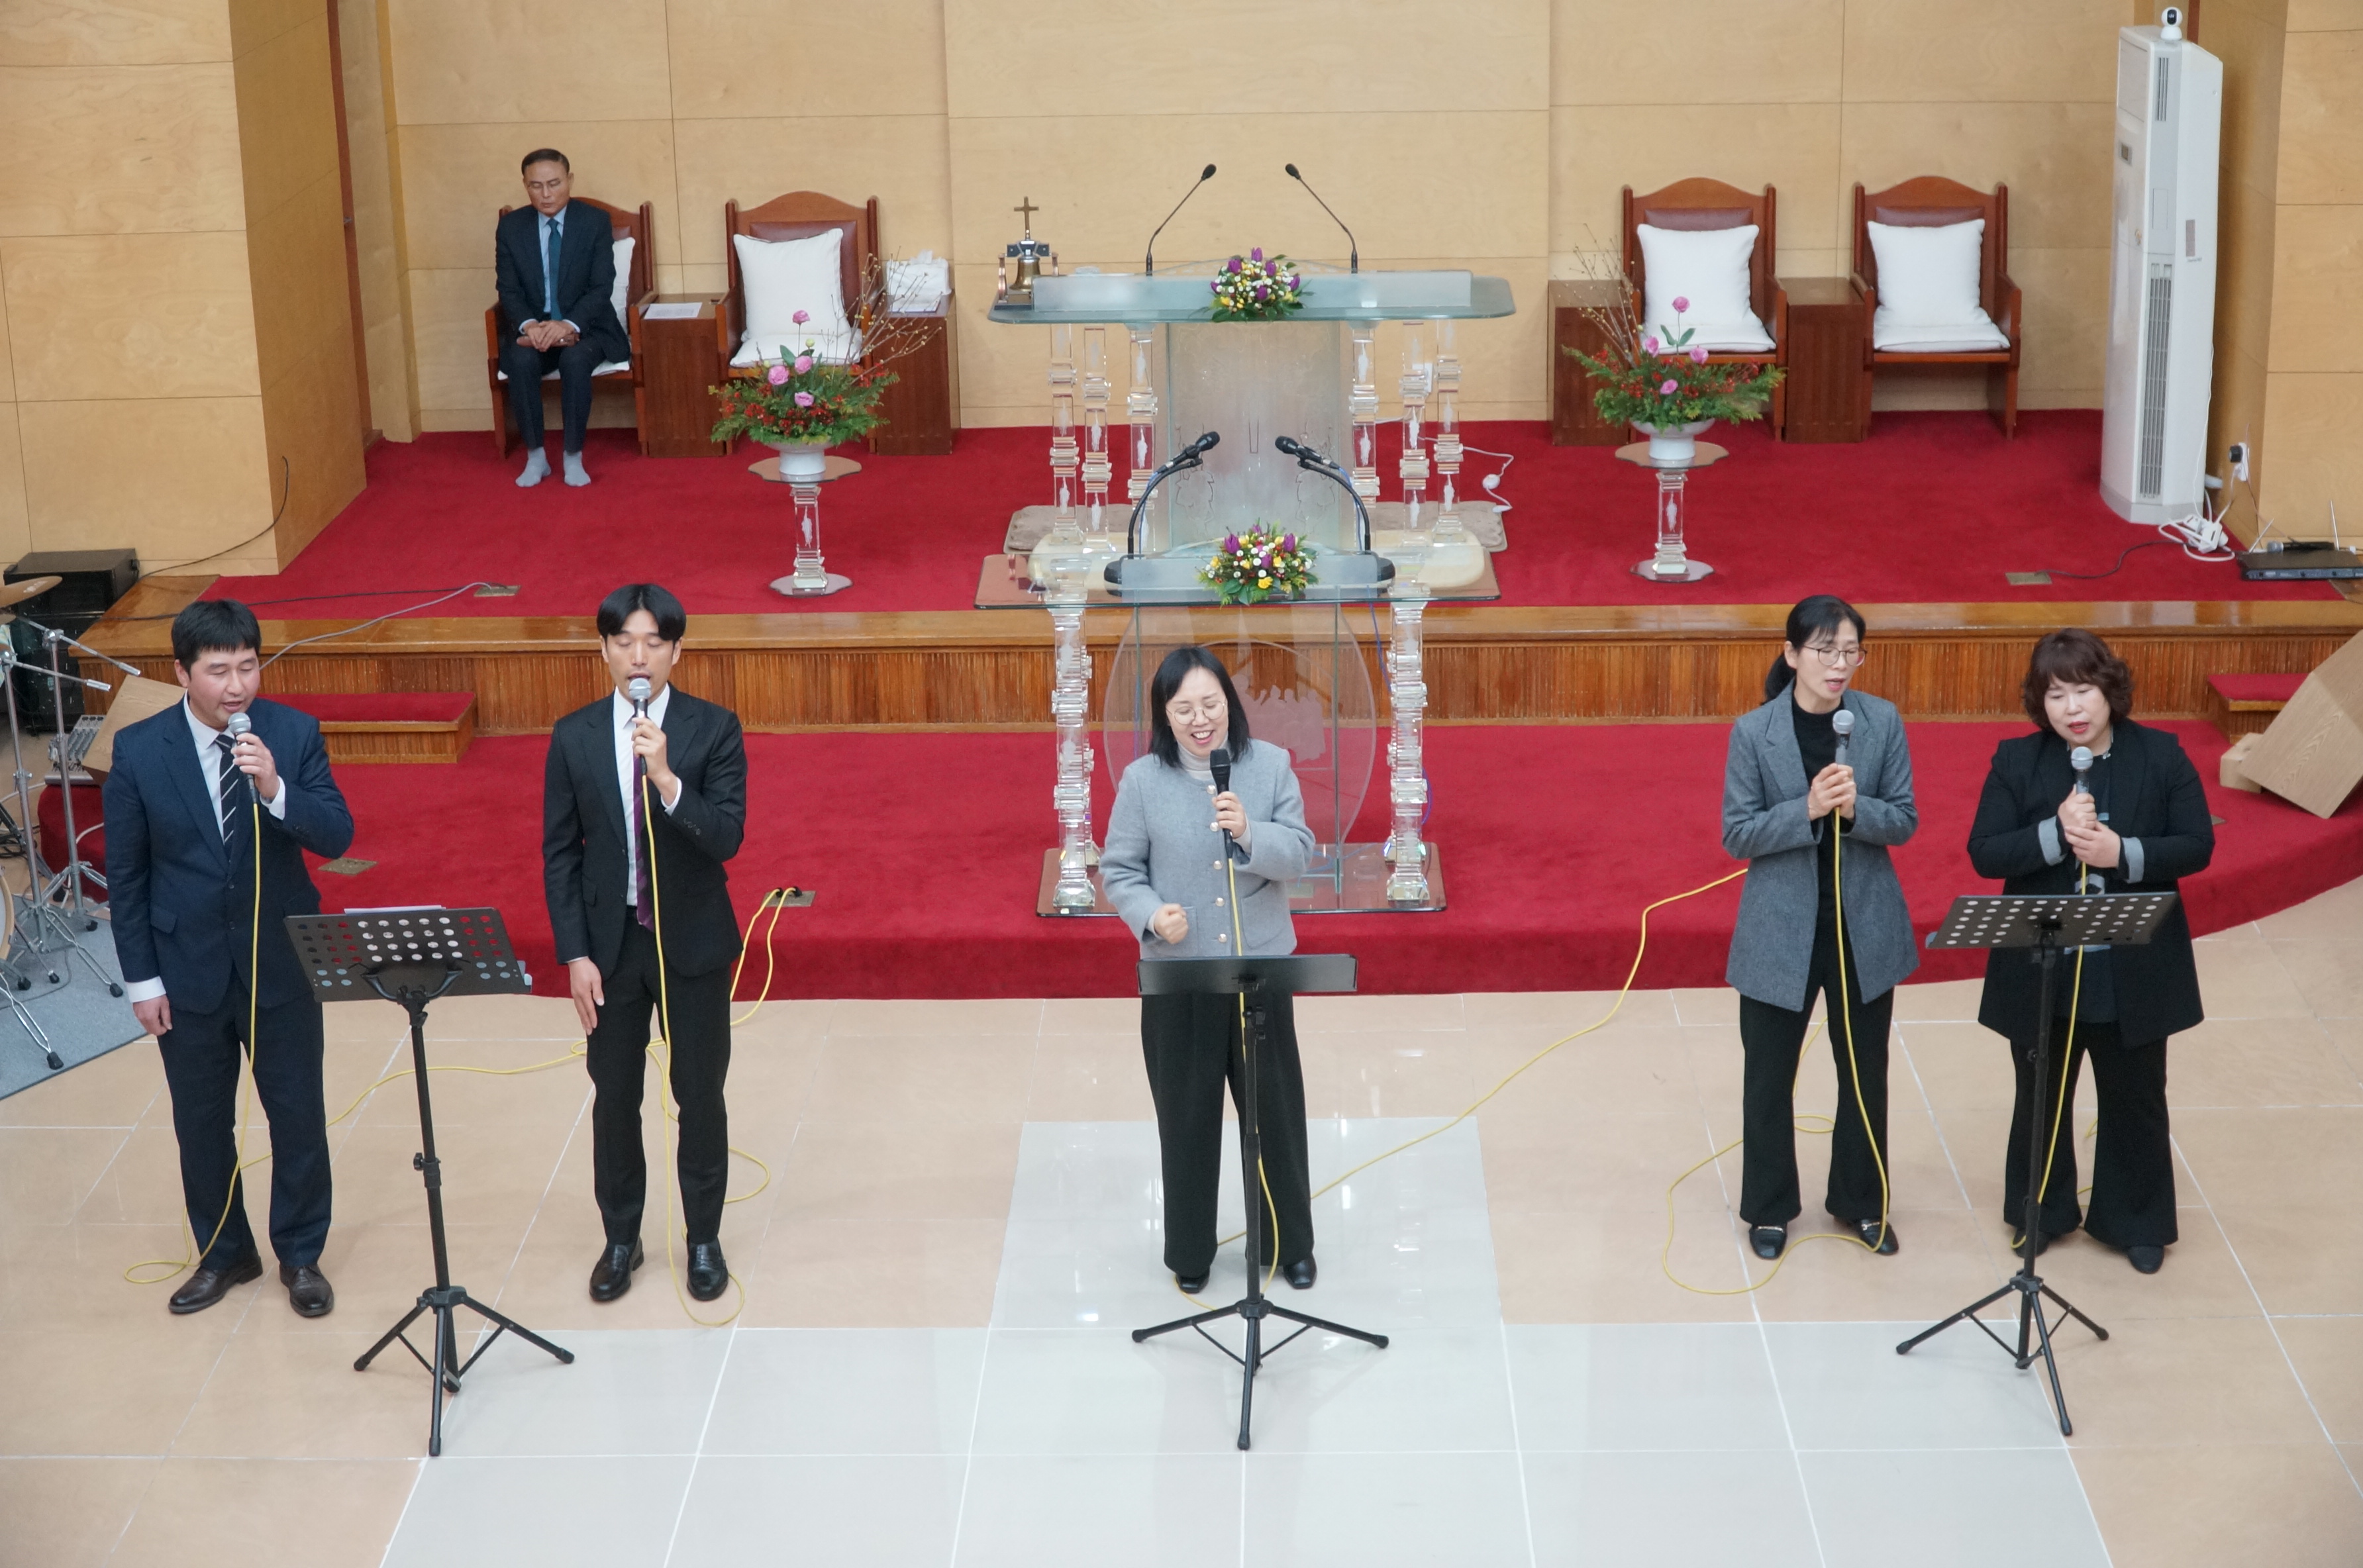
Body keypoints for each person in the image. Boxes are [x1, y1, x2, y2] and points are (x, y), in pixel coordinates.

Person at [103, 599, 356, 1316]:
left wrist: (275, 788)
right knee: (202, 1123)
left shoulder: (292, 733)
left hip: (281, 964)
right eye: (219, 671)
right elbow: (128, 876)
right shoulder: (140, 749)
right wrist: (142, 979)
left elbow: (337, 835)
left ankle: (300, 1254)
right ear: (183, 673)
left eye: (248, 666)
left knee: (297, 1115)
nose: (237, 685)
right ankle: (225, 1253)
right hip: (187, 971)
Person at [1968, 628, 2212, 1275]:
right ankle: (2039, 1212)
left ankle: (2136, 1219)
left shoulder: (2161, 756)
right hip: (2045, 964)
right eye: (2055, 695)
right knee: (2041, 1092)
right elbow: (1985, 851)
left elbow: (2196, 845)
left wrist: (2119, 853)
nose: (2071, 708)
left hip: (2132, 966)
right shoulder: (2017, 762)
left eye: (2082, 690)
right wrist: (2053, 834)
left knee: (2135, 1094)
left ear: (2109, 689)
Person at [543, 583, 747, 1303]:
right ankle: (621, 1238)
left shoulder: (713, 728)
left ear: (676, 651)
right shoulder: (573, 735)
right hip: (611, 948)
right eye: (625, 642)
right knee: (614, 1097)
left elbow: (726, 836)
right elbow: (560, 854)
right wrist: (575, 954)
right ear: (603, 650)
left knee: (700, 1094)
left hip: (690, 940)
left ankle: (703, 1239)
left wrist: (665, 778)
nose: (639, 656)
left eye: (654, 643)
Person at [1100, 647, 1317, 1294]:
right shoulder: (1142, 782)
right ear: (1164, 717)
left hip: (1259, 971)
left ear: (1230, 703)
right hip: (1182, 978)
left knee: (1275, 1114)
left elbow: (1299, 853)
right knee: (1187, 1118)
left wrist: (1250, 832)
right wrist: (1149, 915)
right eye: (1184, 709)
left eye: (1211, 704)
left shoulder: (1270, 765)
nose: (1201, 720)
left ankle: (1288, 1244)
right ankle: (1191, 1251)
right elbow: (1119, 870)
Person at [1722, 595, 1919, 1261]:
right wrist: (1806, 808)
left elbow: (1904, 819)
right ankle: (1769, 1207)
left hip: (1863, 924)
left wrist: (1857, 809)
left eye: (1850, 652)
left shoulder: (1880, 721)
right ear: (1791, 654)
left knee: (1864, 1073)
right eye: (1825, 650)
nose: (1839, 665)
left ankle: (1861, 1201)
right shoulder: (1754, 732)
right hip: (1780, 929)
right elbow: (1737, 833)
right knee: (1768, 1076)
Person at [495, 148, 630, 489]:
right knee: (520, 360)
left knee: (575, 359)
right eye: (536, 186)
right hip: (535, 328)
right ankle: (536, 456)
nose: (546, 194)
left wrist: (567, 324)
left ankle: (573, 455)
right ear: (525, 185)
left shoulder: (594, 222)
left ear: (569, 180)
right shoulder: (511, 227)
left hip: (587, 328)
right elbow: (508, 289)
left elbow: (601, 287)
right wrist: (529, 325)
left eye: (554, 184)